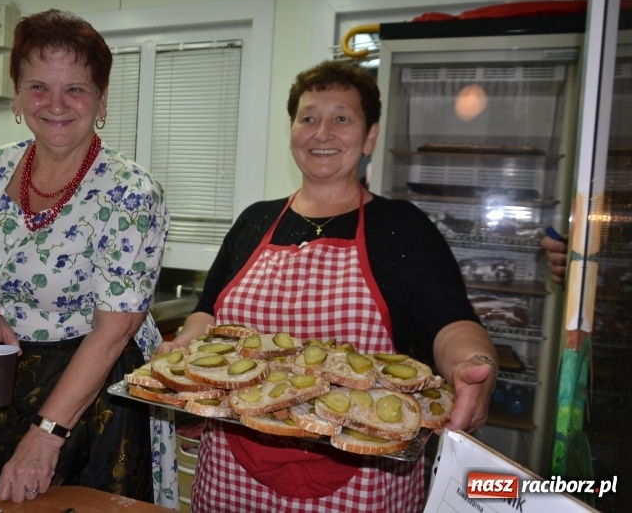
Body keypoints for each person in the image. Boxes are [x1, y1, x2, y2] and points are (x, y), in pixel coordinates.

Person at [155, 60, 498, 512]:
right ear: (293, 129)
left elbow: (451, 323)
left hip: (364, 472)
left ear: (370, 135)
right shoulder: (254, 220)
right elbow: (207, 314)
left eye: (342, 118)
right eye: (309, 118)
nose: (322, 133)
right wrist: (182, 356)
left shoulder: (402, 228)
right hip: (234, 471)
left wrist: (475, 366)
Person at [0, 9, 169, 504]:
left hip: (92, 389)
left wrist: (44, 436)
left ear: (102, 100)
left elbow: (114, 327)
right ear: (16, 94)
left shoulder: (130, 192)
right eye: (38, 87)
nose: (55, 104)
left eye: (76, 89)